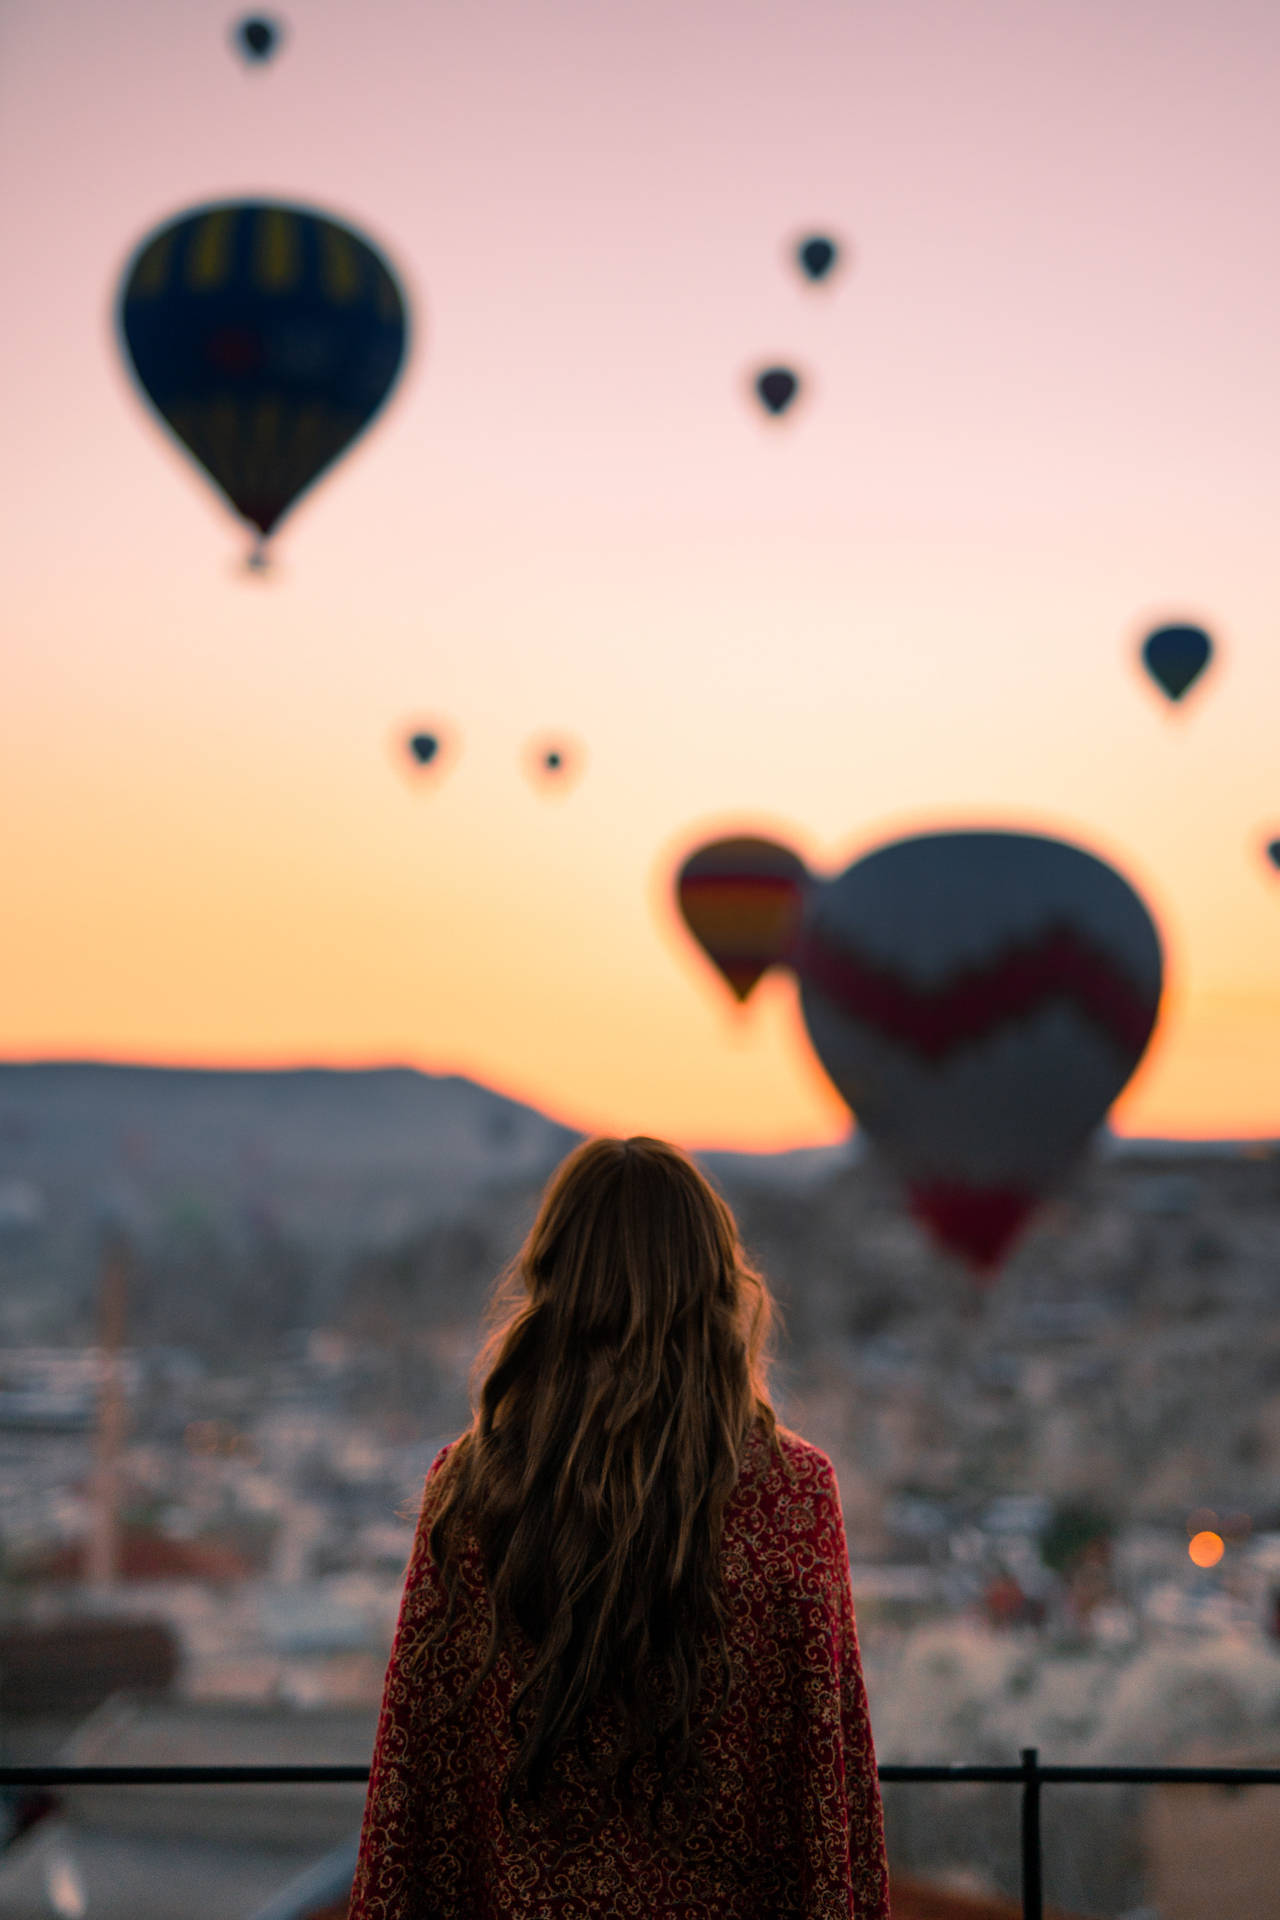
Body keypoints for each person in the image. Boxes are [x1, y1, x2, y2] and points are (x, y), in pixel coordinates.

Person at [348, 1136, 890, 1917]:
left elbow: (412, 1802)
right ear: (714, 1289)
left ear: (554, 1285)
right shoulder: (794, 1495)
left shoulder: (472, 1490)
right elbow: (830, 1808)